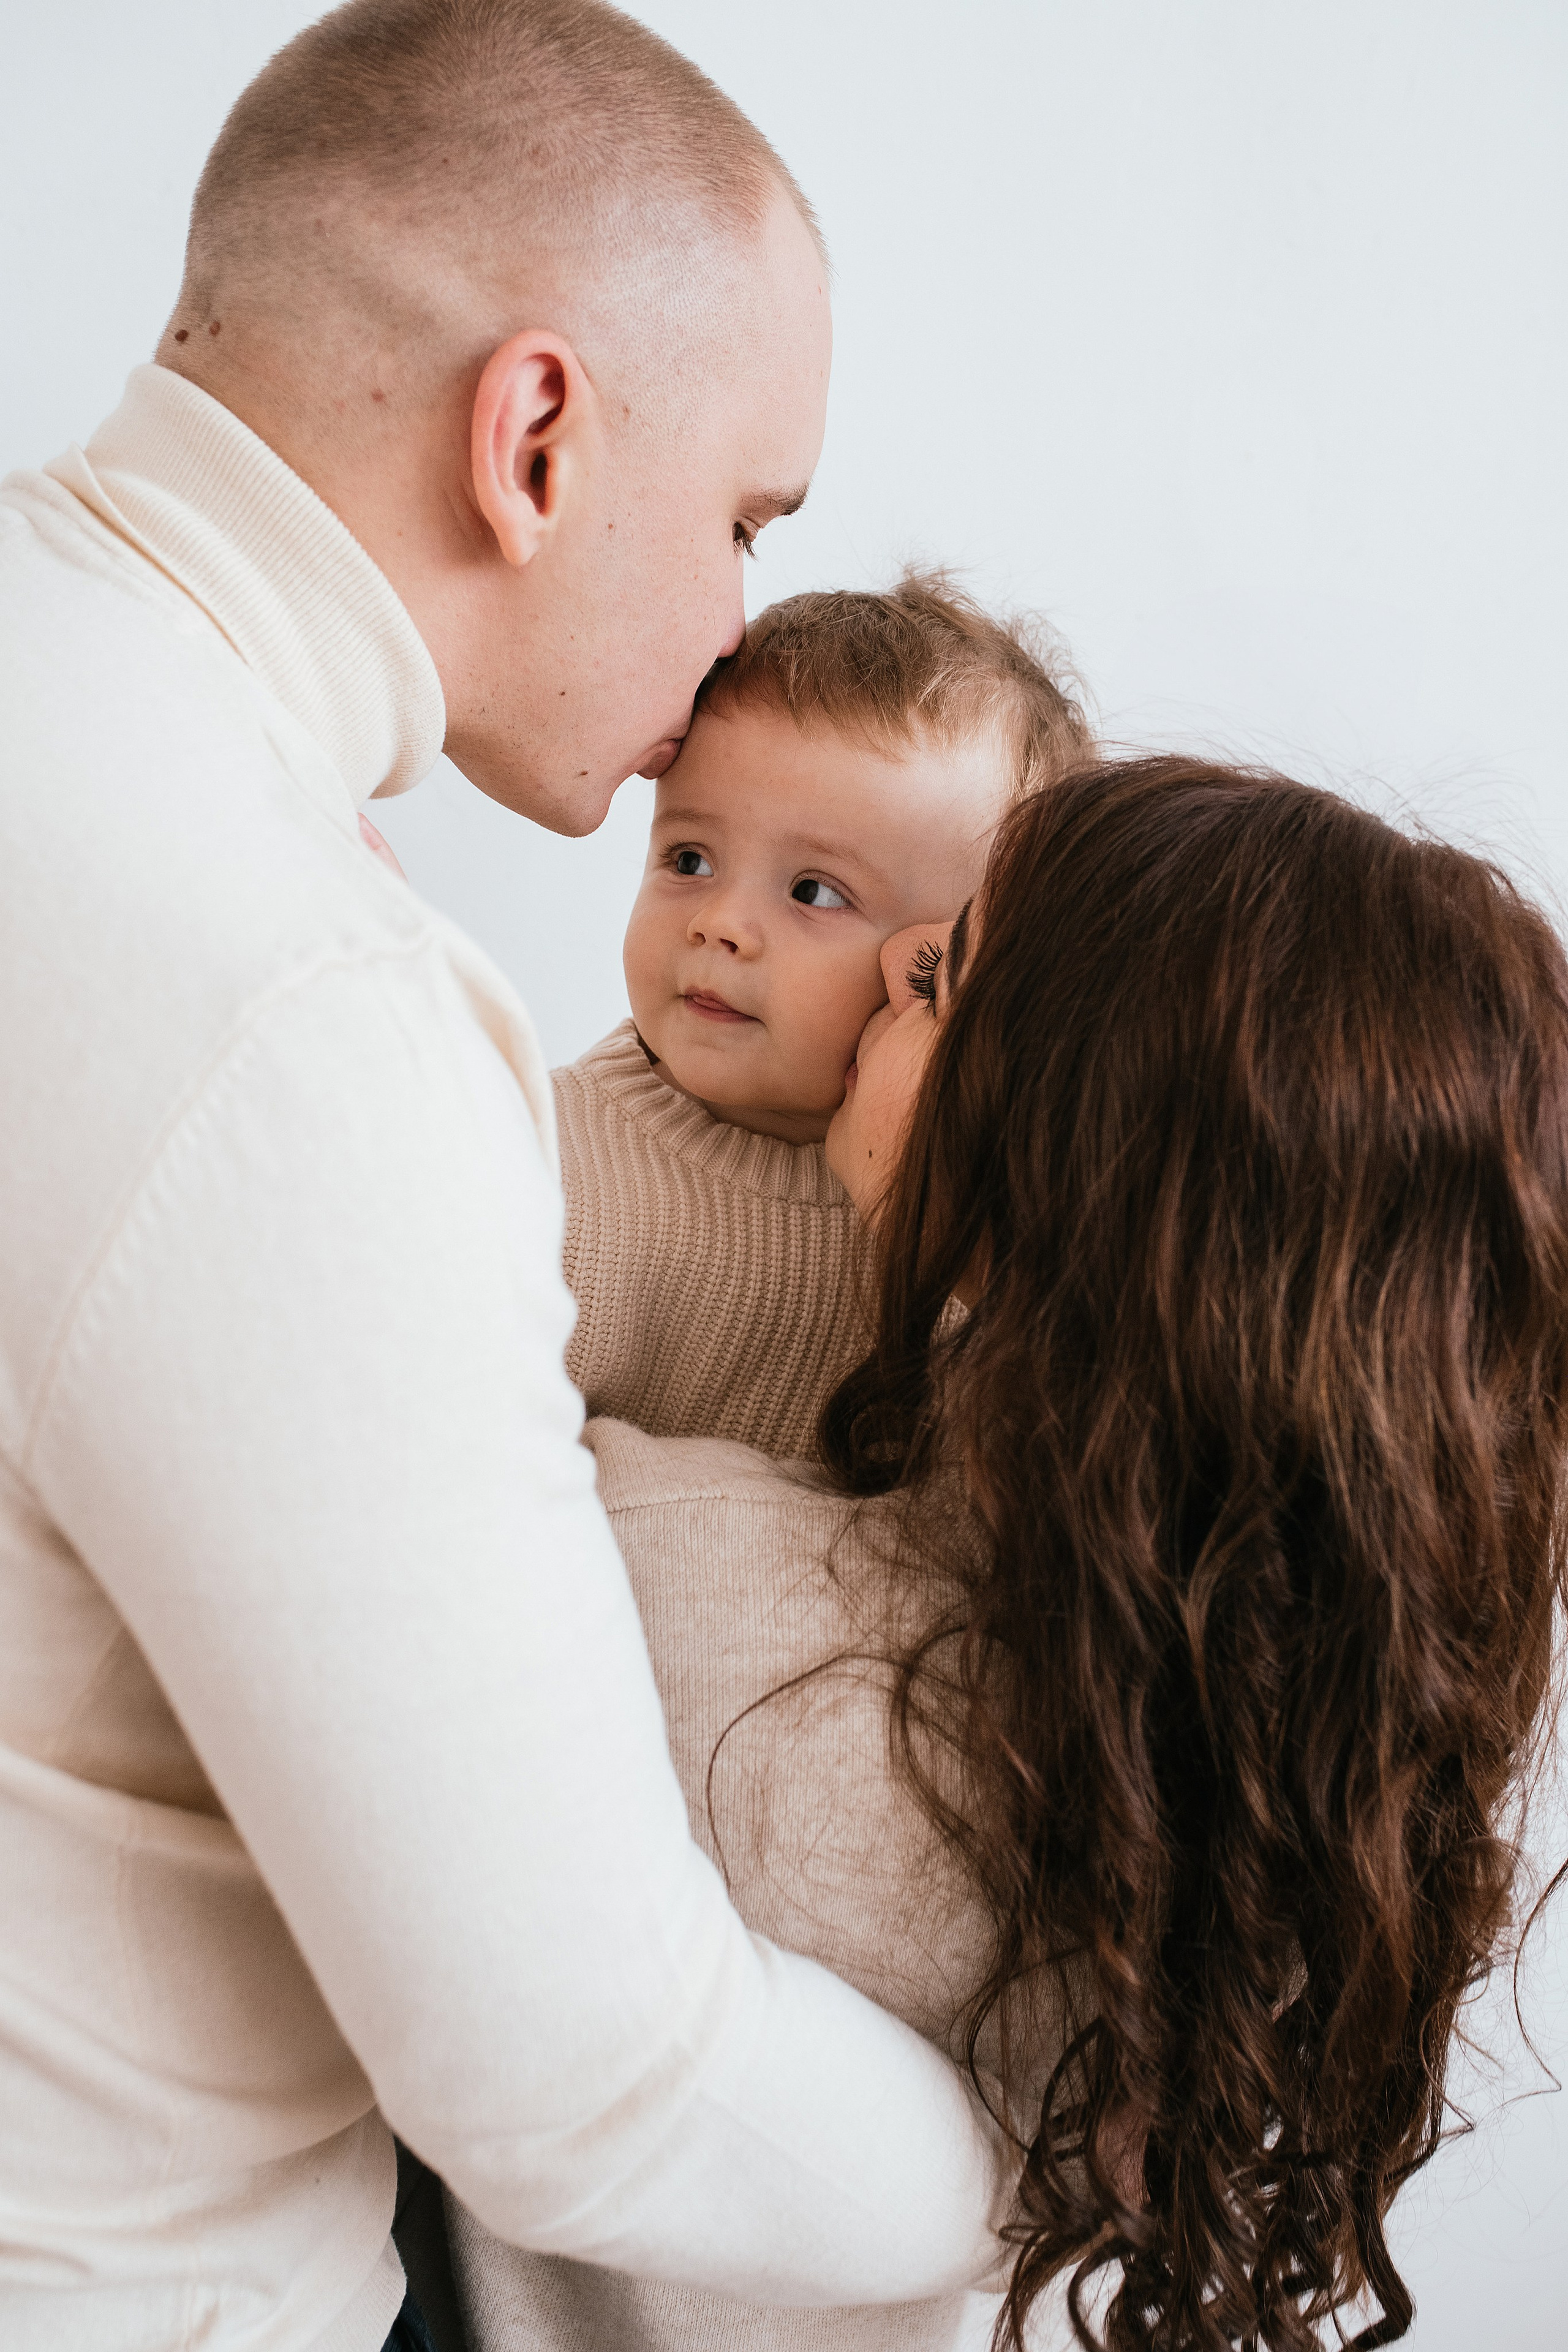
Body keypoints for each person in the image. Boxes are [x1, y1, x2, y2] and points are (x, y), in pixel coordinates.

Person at [0, 4, 1012, 2348]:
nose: (741, 625)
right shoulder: (295, 999)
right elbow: (585, 2071)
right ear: (533, 434)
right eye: (746, 519)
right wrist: (1071, 2176)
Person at [454, 756, 1568, 2351]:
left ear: (1079, 1164)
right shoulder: (1250, 1750)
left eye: (950, 975)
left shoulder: (696, 1602)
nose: (899, 955)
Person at [557, 573, 1089, 1458]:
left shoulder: (975, 1230)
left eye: (814, 891)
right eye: (689, 859)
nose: (720, 923)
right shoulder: (541, 1165)